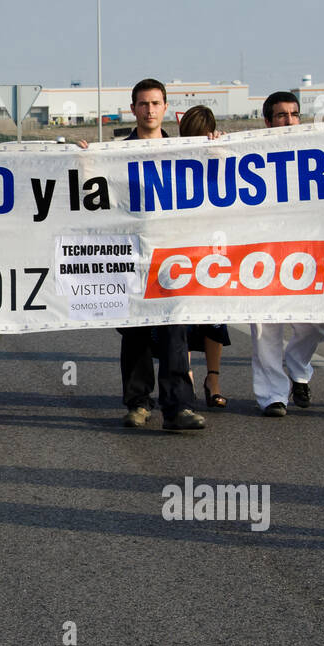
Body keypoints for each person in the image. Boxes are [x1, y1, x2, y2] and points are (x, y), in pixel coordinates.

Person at [117, 80, 204, 431]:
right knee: (135, 331)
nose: (149, 110)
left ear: (165, 107)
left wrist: (216, 149)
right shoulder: (117, 154)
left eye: (155, 103)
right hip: (132, 255)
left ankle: (178, 406)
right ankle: (138, 403)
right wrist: (84, 160)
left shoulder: (185, 150)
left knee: (174, 331)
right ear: (133, 108)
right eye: (143, 104)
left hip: (173, 256)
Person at [247, 92, 324, 417]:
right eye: (281, 115)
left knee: (317, 324)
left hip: (305, 253)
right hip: (261, 254)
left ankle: (298, 367)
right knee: (264, 328)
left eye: (294, 114)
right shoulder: (250, 153)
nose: (288, 120)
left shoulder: (314, 153)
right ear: (268, 121)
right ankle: (272, 395)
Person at [177, 106, 231, 410]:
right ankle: (187, 377)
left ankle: (212, 380)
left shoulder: (219, 151)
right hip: (180, 248)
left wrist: (219, 149)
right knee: (181, 318)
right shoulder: (169, 154)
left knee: (213, 318)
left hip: (212, 248)